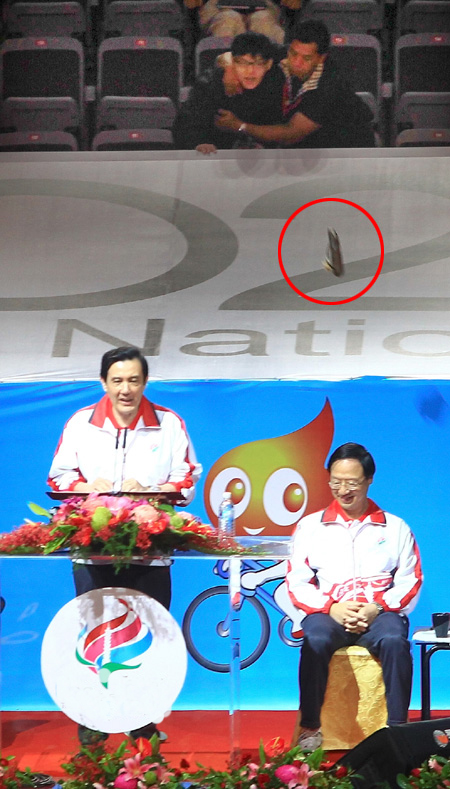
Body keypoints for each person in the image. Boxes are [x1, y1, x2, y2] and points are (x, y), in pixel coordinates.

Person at [48, 345, 202, 743]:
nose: (125, 389)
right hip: (94, 551)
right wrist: (87, 486)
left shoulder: (168, 424)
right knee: (94, 637)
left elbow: (186, 480)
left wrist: (149, 490)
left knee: (148, 635)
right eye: (117, 381)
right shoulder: (81, 423)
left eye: (134, 380)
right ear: (103, 382)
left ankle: (142, 722)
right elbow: (57, 478)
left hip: (149, 553)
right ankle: (93, 721)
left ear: (145, 382)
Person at [286, 442, 422, 751]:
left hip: (379, 614)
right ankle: (311, 728)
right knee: (315, 639)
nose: (343, 490)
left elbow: (410, 580)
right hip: (329, 614)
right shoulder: (310, 526)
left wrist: (377, 607)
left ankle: (397, 732)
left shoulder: (395, 528)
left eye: (352, 483)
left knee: (395, 641)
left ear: (369, 480)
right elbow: (296, 581)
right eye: (336, 482)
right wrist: (331, 607)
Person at [215, 20, 375, 147]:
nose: (297, 63)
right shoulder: (283, 54)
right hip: (308, 150)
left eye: (306, 58)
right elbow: (229, 56)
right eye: (293, 53)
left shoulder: (330, 85)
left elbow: (290, 134)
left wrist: (239, 126)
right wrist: (230, 68)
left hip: (349, 150)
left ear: (321, 58)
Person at [173, 32, 284, 153]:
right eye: (242, 63)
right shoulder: (211, 82)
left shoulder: (278, 82)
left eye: (258, 63)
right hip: (217, 155)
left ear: (268, 64)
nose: (250, 71)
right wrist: (199, 143)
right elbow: (186, 123)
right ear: (233, 62)